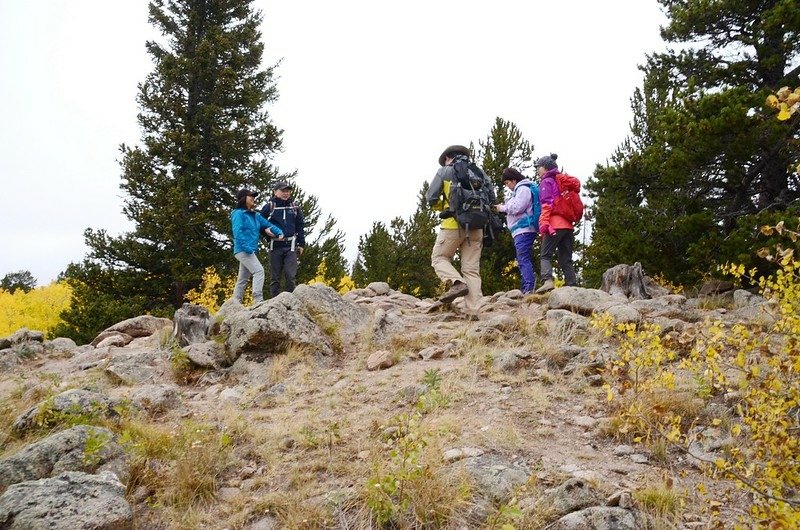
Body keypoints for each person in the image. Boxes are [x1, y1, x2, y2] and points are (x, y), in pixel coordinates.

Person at [426, 144, 496, 316]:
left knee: (439, 257)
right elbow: (492, 198)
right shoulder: (479, 172)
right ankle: (474, 312)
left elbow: (431, 197)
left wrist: (447, 207)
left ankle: (456, 283)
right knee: (471, 269)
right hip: (477, 225)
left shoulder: (445, 171)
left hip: (452, 224)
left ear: (448, 158)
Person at [230, 188, 284, 304]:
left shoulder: (255, 216)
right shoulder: (238, 213)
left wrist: (279, 232)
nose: (253, 199)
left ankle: (235, 303)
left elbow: (268, 224)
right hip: (243, 250)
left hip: (249, 250)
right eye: (251, 196)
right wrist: (247, 248)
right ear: (244, 198)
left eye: (254, 197)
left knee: (242, 279)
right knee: (259, 271)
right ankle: (258, 300)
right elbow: (237, 232)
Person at [534, 153, 577, 293]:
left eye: (538, 167)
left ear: (545, 168)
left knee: (545, 255)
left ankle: (547, 281)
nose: (537, 170)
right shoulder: (562, 181)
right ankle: (572, 285)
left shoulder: (546, 182)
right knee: (566, 258)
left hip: (554, 224)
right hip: (568, 226)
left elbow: (547, 204)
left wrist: (543, 223)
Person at [495, 167, 540, 294]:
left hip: (524, 229)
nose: (507, 186)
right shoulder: (520, 190)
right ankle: (527, 286)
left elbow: (517, 207)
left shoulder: (523, 189)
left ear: (514, 180)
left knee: (523, 259)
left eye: (507, 183)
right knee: (522, 258)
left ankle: (528, 287)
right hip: (521, 229)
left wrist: (503, 208)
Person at [261, 181, 306, 297]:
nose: (286, 193)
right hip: (275, 245)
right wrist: (266, 232)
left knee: (290, 275)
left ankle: (290, 301)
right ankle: (275, 303)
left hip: (291, 245)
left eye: (288, 191)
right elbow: (259, 223)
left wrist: (301, 244)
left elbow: (300, 225)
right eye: (283, 191)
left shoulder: (294, 207)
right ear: (276, 192)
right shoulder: (269, 207)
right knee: (275, 277)